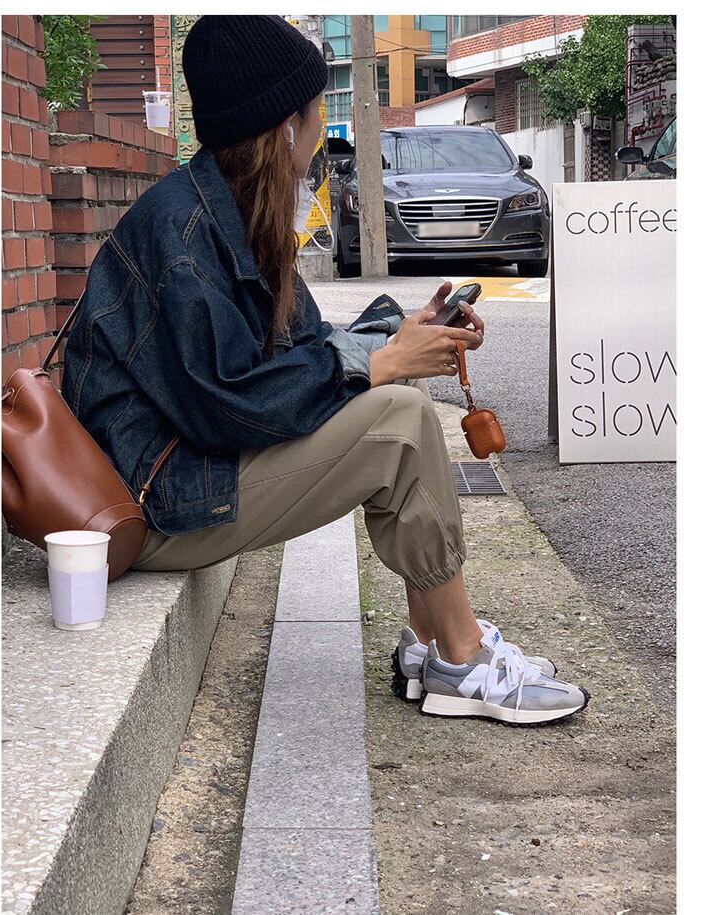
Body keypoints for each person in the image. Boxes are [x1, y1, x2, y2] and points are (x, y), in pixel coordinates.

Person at [62, 15, 589, 725]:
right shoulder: (181, 235)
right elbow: (227, 405)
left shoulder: (232, 208)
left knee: (395, 384)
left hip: (188, 470)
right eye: (314, 114)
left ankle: (429, 640)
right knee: (400, 420)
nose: (320, 136)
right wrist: (378, 363)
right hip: (159, 501)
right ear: (285, 128)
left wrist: (401, 336)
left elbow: (308, 343)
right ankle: (461, 656)